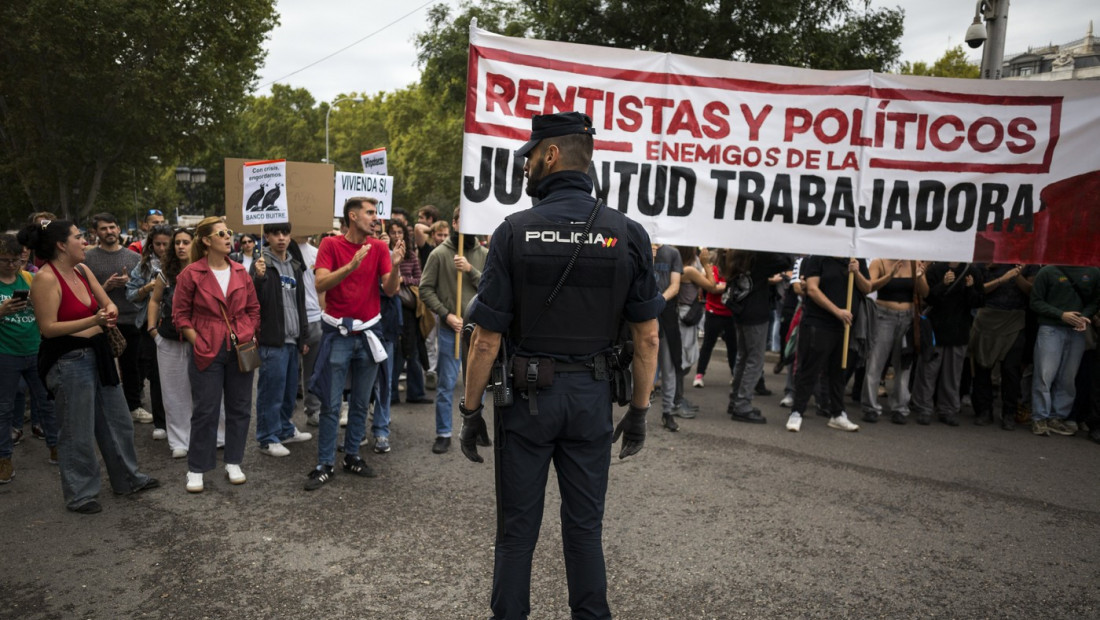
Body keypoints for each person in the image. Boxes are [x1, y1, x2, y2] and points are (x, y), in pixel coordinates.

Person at [460, 111, 662, 620]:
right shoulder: (628, 233)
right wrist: (638, 411)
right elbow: (648, 337)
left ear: (551, 155)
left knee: (516, 534)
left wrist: (468, 412)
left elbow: (485, 340)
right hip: (592, 401)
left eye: (530, 155)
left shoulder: (513, 231)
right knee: (584, 530)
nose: (526, 165)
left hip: (527, 404)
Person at [19, 220, 158, 513]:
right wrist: (94, 320)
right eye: (79, 237)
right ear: (60, 245)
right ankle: (81, 494)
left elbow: (108, 304)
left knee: (118, 421)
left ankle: (127, 479)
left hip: (99, 355)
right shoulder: (46, 278)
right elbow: (48, 328)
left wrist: (108, 311)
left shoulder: (82, 270)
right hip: (68, 362)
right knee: (76, 431)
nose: (85, 241)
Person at [305, 197, 401, 490]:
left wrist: (395, 266)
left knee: (361, 401)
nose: (375, 218)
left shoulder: (381, 247)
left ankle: (351, 456)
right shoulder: (331, 246)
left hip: (369, 333)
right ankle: (324, 463)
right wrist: (351, 265)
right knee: (332, 405)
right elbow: (320, 284)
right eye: (370, 213)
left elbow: (390, 289)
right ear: (352, 216)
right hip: (338, 335)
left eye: (375, 213)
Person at [173, 217, 260, 493]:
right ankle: (196, 468)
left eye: (229, 232)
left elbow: (254, 309)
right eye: (221, 233)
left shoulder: (240, 272)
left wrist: (248, 331)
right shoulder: (191, 274)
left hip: (239, 347)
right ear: (207, 241)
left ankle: (234, 461)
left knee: (240, 407)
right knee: (205, 410)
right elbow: (180, 315)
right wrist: (198, 341)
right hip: (207, 347)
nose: (228, 237)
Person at [784, 256, 883, 433]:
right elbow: (812, 290)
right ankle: (797, 412)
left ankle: (838, 414)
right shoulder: (819, 257)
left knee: (839, 371)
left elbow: (867, 288)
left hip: (844, 326)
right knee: (810, 369)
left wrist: (857, 272)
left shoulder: (856, 259)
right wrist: (837, 311)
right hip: (818, 323)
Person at [419, 206, 488, 454]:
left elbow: (491, 288)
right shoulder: (438, 254)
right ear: (455, 223)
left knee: (477, 384)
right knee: (446, 384)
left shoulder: (484, 254)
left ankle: (474, 427)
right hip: (451, 329)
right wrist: (446, 315)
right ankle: (443, 432)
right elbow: (425, 289)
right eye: (463, 221)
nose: (467, 226)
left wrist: (470, 270)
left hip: (478, 331)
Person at [149, 227, 216, 459]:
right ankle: (179, 440)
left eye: (185, 242)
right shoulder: (165, 273)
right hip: (170, 339)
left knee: (207, 390)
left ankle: (213, 436)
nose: (180, 246)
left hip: (202, 339)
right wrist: (152, 331)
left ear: (195, 244)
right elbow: (155, 301)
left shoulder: (208, 269)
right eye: (176, 242)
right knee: (174, 392)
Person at [0, 233, 59, 483]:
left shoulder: (30, 278)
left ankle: (56, 448)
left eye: (16, 260)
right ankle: (4, 459)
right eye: (5, 260)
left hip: (36, 350)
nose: (12, 265)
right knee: (3, 409)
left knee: (48, 402)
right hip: (6, 355)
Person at [82, 213, 150, 425]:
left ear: (118, 228)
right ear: (95, 232)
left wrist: (130, 282)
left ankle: (134, 406)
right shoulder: (87, 259)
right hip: (100, 320)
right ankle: (103, 408)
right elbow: (82, 294)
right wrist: (105, 288)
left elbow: (145, 290)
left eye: (112, 227)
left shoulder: (134, 258)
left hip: (130, 319)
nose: (109, 232)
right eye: (103, 228)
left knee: (132, 366)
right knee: (100, 366)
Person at [251, 222, 312, 457]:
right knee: (271, 391)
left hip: (292, 338)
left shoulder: (294, 264)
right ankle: (267, 438)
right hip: (272, 339)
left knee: (288, 391)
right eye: (275, 233)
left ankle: (285, 428)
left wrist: (303, 335)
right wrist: (259, 278)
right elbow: (255, 300)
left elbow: (300, 302)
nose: (281, 237)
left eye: (285, 233)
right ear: (266, 236)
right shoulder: (261, 264)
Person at [1029, 264, 1100, 437]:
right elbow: (1035, 301)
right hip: (1051, 328)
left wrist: (1085, 315)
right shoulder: (1048, 271)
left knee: (1068, 377)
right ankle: (1040, 417)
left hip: (1077, 332)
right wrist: (1061, 314)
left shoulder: (1093, 272)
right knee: (1045, 375)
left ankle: (1057, 417)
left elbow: (1095, 301)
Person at [910, 262, 985, 426]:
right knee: (928, 371)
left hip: (959, 331)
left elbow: (979, 301)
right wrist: (943, 284)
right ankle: (923, 408)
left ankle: (948, 410)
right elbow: (929, 298)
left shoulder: (972, 271)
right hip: (936, 329)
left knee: (952, 374)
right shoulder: (936, 269)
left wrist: (971, 287)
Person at [723, 250, 792, 424]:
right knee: (754, 360)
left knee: (743, 358)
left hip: (741, 311)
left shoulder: (736, 254)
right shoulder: (759, 257)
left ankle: (736, 400)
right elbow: (786, 261)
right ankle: (742, 405)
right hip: (755, 313)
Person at [970, 264, 1038, 430]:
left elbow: (1031, 291)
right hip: (987, 318)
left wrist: (1017, 276)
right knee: (982, 367)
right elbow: (978, 291)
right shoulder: (986, 260)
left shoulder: (1027, 263)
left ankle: (1009, 413)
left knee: (1010, 370)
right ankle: (984, 411)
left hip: (1014, 320)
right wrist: (1002, 279)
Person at [861, 259, 926, 424]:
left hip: (907, 318)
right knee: (875, 362)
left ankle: (900, 407)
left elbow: (925, 292)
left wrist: (919, 276)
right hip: (883, 316)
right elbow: (869, 286)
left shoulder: (914, 263)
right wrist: (889, 276)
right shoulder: (879, 262)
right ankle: (870, 407)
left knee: (903, 364)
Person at [125, 224, 172, 440]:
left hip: (177, 326)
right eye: (157, 244)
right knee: (156, 375)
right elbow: (131, 295)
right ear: (151, 245)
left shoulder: (182, 264)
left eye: (166, 244)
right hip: (151, 327)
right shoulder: (143, 267)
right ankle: (161, 422)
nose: (162, 248)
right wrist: (147, 288)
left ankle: (181, 419)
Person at [387, 219, 429, 406]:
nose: (396, 236)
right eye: (392, 232)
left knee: (411, 350)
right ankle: (392, 393)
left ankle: (415, 392)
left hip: (408, 308)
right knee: (394, 351)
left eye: (399, 232)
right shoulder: (383, 252)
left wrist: (403, 279)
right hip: (391, 305)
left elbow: (419, 279)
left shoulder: (411, 255)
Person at [652, 243, 682, 430]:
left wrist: (659, 301)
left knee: (668, 363)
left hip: (666, 314)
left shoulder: (672, 253)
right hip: (644, 314)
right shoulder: (641, 247)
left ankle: (667, 411)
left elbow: (675, 285)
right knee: (640, 362)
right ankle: (638, 409)